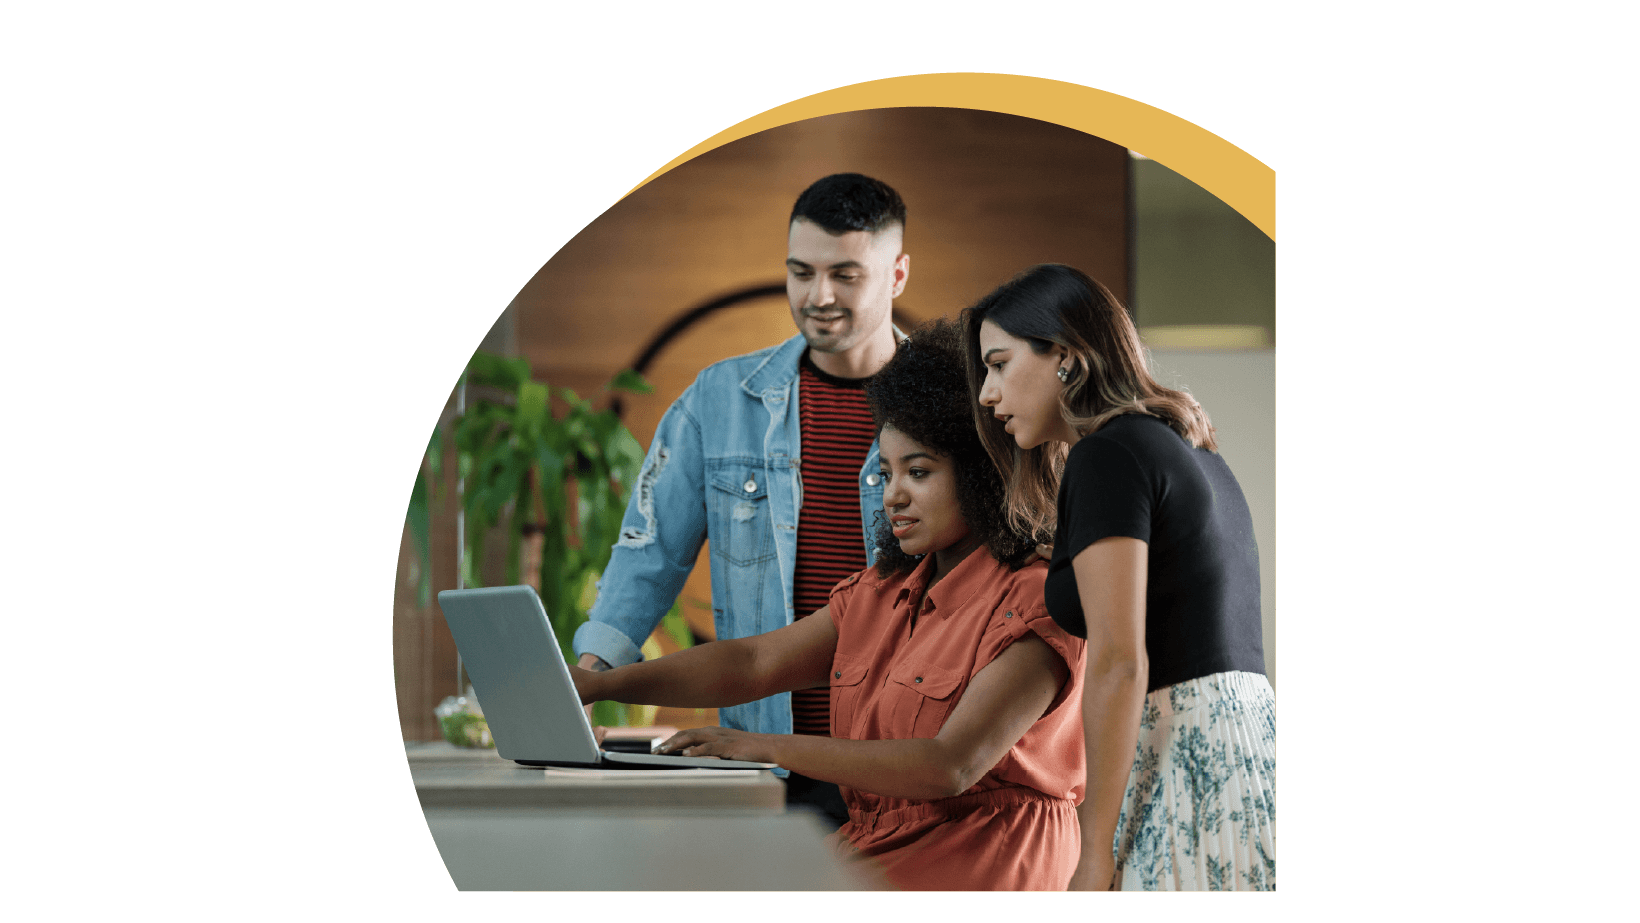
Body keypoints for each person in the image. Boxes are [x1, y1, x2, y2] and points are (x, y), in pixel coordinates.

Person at [571, 318, 1087, 891]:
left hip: (985, 854)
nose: (892, 494)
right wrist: (600, 685)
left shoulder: (1038, 595)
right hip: (879, 843)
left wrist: (756, 746)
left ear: (986, 472)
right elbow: (752, 664)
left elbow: (949, 766)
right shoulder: (882, 592)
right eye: (886, 471)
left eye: (918, 472)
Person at [572, 173, 913, 827]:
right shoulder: (718, 400)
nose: (820, 296)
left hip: (905, 759)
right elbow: (650, 554)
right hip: (767, 763)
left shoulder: (956, 405)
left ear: (897, 274)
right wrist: (589, 679)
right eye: (801, 271)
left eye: (846, 274)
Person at [963, 264, 1276, 891]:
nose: (987, 395)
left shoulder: (1106, 455)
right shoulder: (1188, 446)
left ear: (1066, 358)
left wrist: (1092, 847)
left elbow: (1118, 662)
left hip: (1181, 759)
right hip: (1245, 750)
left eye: (999, 364)